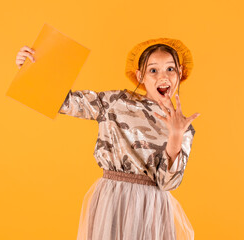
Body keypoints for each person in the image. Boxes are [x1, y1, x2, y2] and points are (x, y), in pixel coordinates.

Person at [15, 37, 200, 240]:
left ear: (180, 73)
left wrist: (175, 135)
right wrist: (32, 67)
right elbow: (65, 102)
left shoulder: (184, 128)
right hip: (113, 197)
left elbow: (168, 183)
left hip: (153, 207)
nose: (163, 76)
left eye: (170, 69)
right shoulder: (116, 102)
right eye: (153, 70)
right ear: (140, 75)